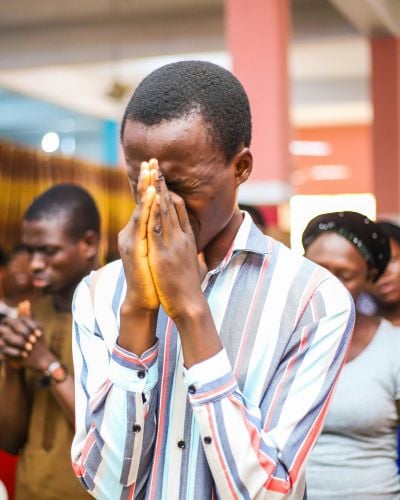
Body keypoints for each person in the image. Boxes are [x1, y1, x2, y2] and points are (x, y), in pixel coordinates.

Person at [71, 61, 354, 499]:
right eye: (140, 183)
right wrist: (137, 313)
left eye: (182, 186)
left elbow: (268, 491)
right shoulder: (98, 294)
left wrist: (191, 312)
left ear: (240, 168)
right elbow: (106, 486)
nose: (158, 204)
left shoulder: (313, 301)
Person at [0, 183, 100, 500]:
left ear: (88, 244)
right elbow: (10, 439)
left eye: (48, 250)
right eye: (29, 250)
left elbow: (103, 440)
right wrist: (14, 368)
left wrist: (46, 362)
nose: (34, 264)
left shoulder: (115, 317)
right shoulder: (32, 314)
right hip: (29, 489)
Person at [302, 211, 400, 499]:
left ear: (369, 277)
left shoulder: (392, 348)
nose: (326, 284)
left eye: (344, 275)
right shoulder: (275, 341)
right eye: (316, 270)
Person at [0, 245, 38, 321]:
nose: (21, 266)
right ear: (3, 270)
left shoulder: (46, 313)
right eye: (14, 260)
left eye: (28, 261)